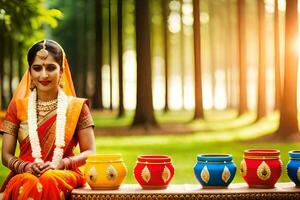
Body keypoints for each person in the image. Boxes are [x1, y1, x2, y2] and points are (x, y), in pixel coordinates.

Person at [0, 39, 96, 199]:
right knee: (29, 182)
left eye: (51, 68)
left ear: (61, 70)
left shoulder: (77, 107)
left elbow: (90, 152)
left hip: (63, 173)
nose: (43, 75)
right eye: (37, 68)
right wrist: (25, 167)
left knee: (49, 179)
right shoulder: (17, 107)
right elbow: (6, 155)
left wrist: (63, 163)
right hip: (25, 173)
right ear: (30, 72)